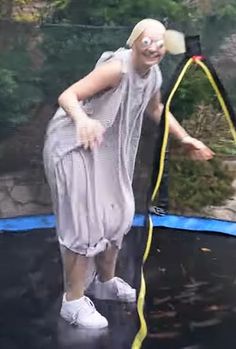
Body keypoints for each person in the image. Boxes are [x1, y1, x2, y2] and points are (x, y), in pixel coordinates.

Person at [43, 18, 214, 329]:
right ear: (135, 42)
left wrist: (185, 137)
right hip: (73, 144)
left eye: (160, 43)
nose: (154, 48)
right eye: (147, 42)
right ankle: (73, 302)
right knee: (83, 222)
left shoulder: (153, 74)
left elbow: (155, 109)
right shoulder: (117, 68)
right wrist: (82, 121)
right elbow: (68, 96)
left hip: (105, 148)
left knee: (118, 213)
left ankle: (104, 282)